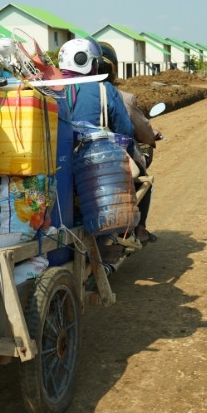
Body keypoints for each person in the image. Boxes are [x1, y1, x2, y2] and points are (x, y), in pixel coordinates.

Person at [58, 38, 139, 266]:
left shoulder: (47, 87)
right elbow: (125, 130)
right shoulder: (104, 90)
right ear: (90, 64)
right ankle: (111, 243)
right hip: (90, 170)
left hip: (55, 169)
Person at [98, 41, 160, 244]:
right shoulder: (122, 97)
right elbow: (132, 131)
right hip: (113, 158)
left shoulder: (70, 93)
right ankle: (140, 230)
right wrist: (151, 137)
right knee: (144, 178)